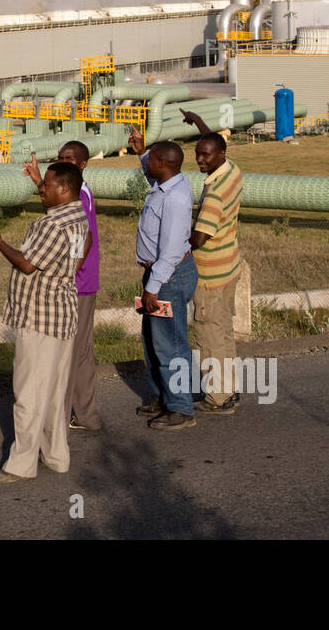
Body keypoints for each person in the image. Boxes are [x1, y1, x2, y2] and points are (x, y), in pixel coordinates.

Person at [0, 161, 87, 483]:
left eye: (47, 185)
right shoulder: (79, 216)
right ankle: (56, 456)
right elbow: (85, 249)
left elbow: (27, 265)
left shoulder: (52, 226)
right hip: (63, 314)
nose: (42, 190)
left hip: (40, 318)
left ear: (64, 189)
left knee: (28, 394)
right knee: (54, 393)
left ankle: (21, 464)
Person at [25, 141, 101, 432]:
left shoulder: (78, 199)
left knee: (68, 353)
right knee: (80, 351)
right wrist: (38, 180)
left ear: (82, 165)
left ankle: (59, 416)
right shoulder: (82, 191)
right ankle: (85, 414)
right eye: (59, 157)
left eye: (69, 159)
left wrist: (66, 275)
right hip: (84, 281)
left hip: (76, 284)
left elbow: (83, 239)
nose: (63, 162)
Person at [127, 130, 198, 431]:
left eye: (150, 159)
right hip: (159, 273)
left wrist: (152, 288)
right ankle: (165, 396)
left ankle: (181, 408)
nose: (146, 165)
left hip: (167, 275)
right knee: (154, 341)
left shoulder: (177, 198)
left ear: (163, 164)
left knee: (170, 342)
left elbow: (169, 252)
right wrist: (142, 151)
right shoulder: (166, 183)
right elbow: (150, 170)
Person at [181, 110, 244, 414]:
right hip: (229, 265)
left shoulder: (214, 194)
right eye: (197, 155)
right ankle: (229, 389)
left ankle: (217, 397)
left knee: (208, 335)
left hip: (209, 275)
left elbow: (199, 239)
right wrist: (197, 121)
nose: (200, 161)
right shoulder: (232, 171)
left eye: (205, 156)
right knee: (224, 331)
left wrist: (175, 242)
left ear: (220, 154)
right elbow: (211, 141)